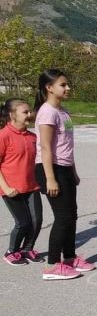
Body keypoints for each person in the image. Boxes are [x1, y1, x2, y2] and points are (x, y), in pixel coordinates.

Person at [34, 69, 96, 280]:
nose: (68, 88)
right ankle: (52, 265)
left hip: (65, 167)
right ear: (49, 88)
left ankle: (69, 258)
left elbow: (66, 145)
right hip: (51, 168)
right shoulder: (47, 112)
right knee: (63, 217)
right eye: (63, 85)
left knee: (72, 215)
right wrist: (50, 178)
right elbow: (45, 147)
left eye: (67, 84)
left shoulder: (63, 112)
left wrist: (73, 171)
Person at [0, 98, 43, 265]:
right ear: (12, 115)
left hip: (31, 186)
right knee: (23, 223)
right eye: (25, 112)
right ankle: (11, 252)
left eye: (30, 111)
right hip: (11, 189)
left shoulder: (32, 136)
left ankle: (27, 249)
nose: (29, 114)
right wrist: (6, 188)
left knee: (36, 221)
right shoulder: (4, 135)